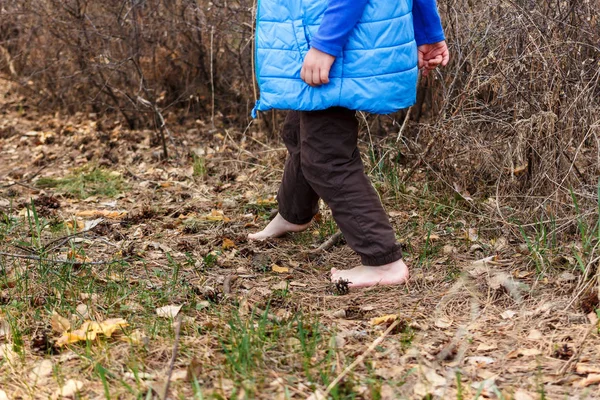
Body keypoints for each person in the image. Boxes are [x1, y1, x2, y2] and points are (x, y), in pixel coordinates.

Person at [249, 0, 450, 288]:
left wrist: (325, 45)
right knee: (298, 132)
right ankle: (293, 213)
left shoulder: (326, 44)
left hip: (332, 41)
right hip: (323, 35)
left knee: (326, 157)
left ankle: (384, 262)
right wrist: (428, 30)